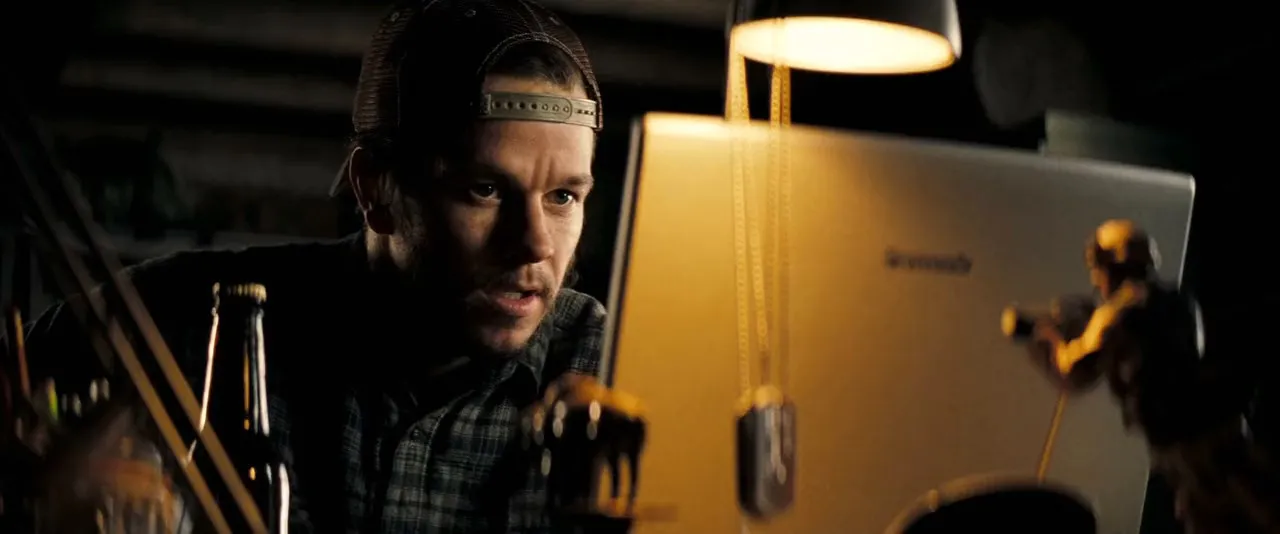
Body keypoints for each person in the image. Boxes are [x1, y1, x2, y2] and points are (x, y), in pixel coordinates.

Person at [12, 0, 612, 531]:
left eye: (563, 196)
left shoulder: (615, 372)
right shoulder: (179, 322)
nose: (534, 243)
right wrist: (40, 492)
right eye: (485, 189)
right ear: (376, 189)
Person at [1028, 220, 1280, 533]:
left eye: (1098, 269)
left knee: (1219, 515)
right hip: (1217, 424)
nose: (1095, 279)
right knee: (1250, 502)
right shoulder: (1178, 301)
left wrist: (1047, 337)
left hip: (1182, 440)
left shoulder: (1118, 310)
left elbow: (1074, 370)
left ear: (1113, 266)